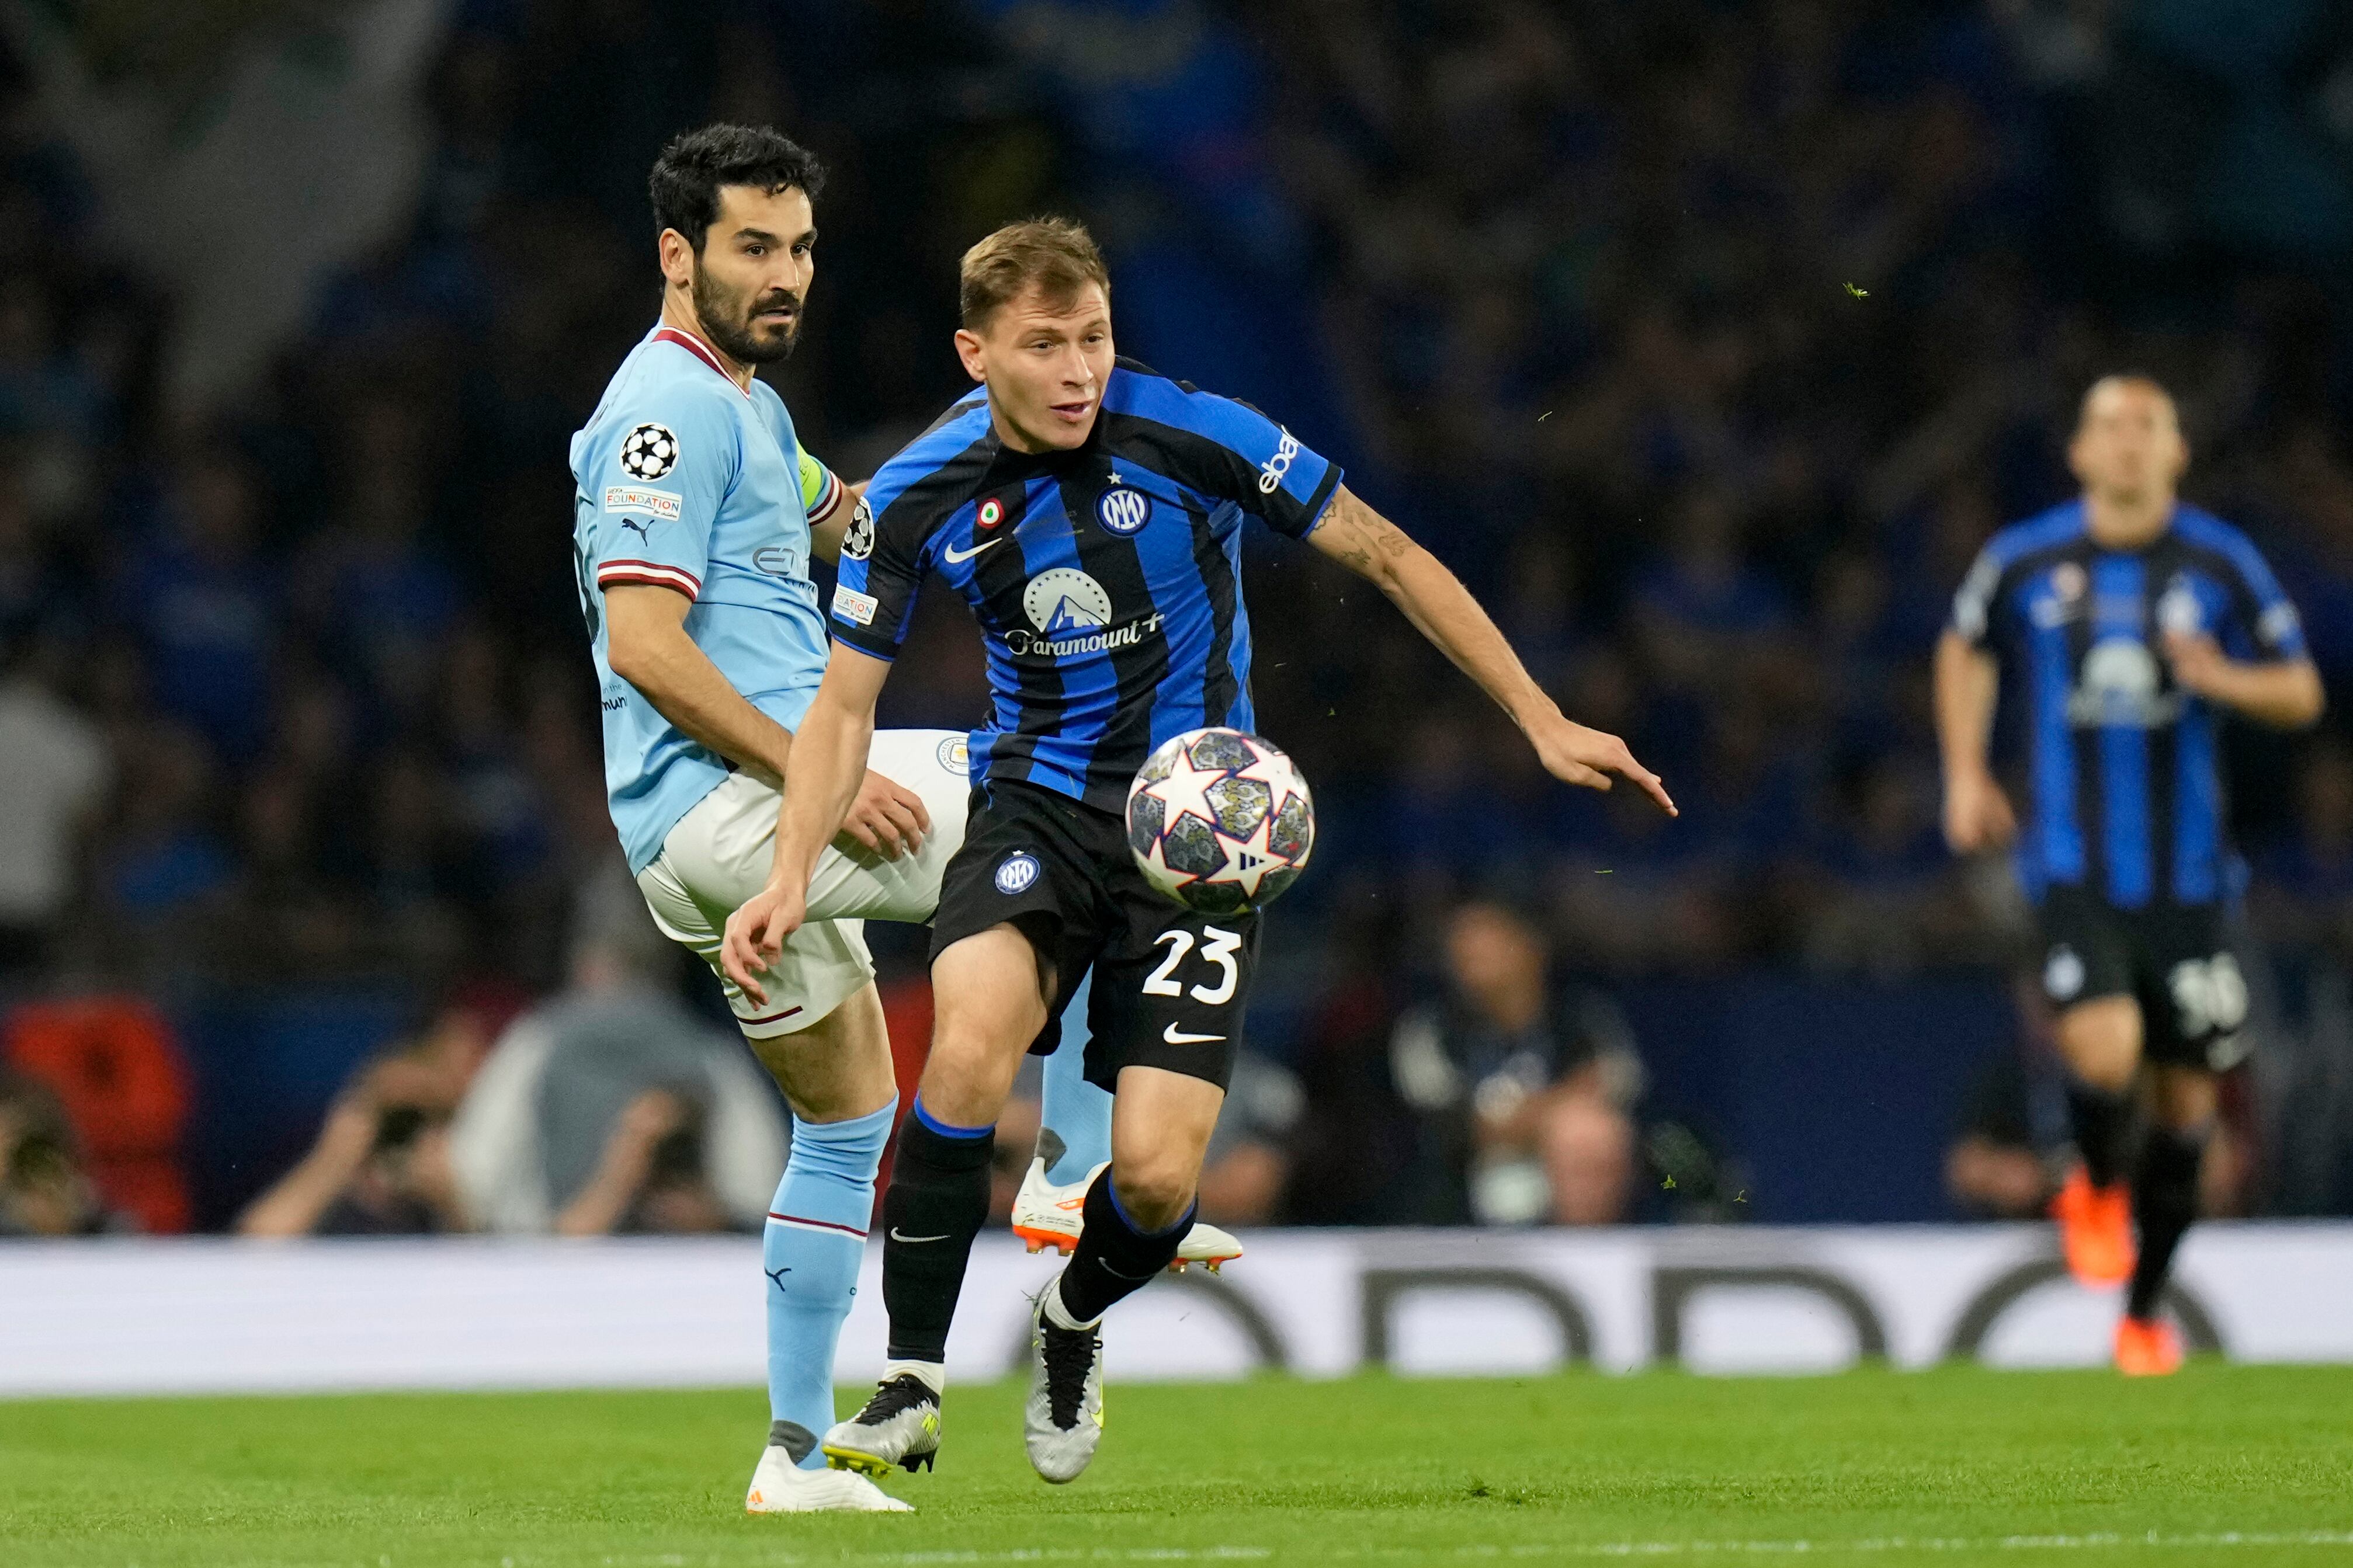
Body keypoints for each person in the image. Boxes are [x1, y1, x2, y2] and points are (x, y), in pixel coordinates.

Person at [724, 217, 1674, 1484]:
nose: (1078, 370)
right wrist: (791, 876)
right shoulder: (912, 494)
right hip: (1037, 808)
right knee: (965, 1047)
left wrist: (1539, 716)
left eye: (1094, 338)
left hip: (1196, 835)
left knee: (1161, 1180)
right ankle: (912, 1381)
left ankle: (1070, 1317)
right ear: (975, 353)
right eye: (1044, 344)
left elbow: (1386, 552)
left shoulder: (1194, 431)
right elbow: (844, 712)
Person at [568, 123, 961, 1516]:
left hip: (716, 839)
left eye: (798, 248)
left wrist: (965, 479)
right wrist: (822, 780)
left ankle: (793, 1457)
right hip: (740, 802)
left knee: (849, 1121)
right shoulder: (663, 411)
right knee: (1082, 806)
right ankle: (1086, 1171)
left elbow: (847, 518)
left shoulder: (753, 409)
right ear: (678, 256)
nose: (785, 274)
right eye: (753, 247)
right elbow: (644, 643)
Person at [1935, 374, 2324, 1375]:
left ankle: (2144, 1312)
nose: (2126, 441)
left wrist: (2220, 677)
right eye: (2108, 425)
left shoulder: (2219, 560)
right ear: (2077, 452)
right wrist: (1966, 770)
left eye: (2146, 425)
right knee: (2105, 1053)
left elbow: (2300, 691)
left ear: (2176, 452)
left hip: (2191, 885)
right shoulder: (2026, 559)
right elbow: (1964, 645)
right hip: (2072, 867)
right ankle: (2099, 1190)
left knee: (2188, 1112)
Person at [1385, 901, 1641, 1226]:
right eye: (1463, 955)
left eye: (1487, 950)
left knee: (1589, 1132)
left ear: (1531, 948)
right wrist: (1556, 1107)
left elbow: (1613, 1093)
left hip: (1561, 1191)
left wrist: (1520, 1121)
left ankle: (1588, 1250)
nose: (1473, 967)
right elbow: (1455, 1128)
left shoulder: (1584, 1021)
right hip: (1459, 1197)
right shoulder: (1429, 1031)